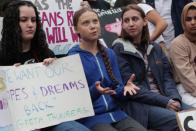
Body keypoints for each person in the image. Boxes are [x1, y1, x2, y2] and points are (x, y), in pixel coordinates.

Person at [0, 1, 90, 131]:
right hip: (17, 123)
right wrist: (6, 80)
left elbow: (65, 93)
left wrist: (56, 70)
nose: (30, 25)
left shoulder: (46, 53)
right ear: (12, 23)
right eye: (23, 20)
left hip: (51, 119)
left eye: (33, 20)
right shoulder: (2, 56)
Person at [112, 4, 191, 131]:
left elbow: (167, 78)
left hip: (165, 98)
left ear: (144, 21)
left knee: (193, 115)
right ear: (122, 25)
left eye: (135, 19)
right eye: (126, 21)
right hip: (142, 106)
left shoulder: (155, 47)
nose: (131, 24)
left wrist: (174, 99)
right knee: (180, 122)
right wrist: (165, 102)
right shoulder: (118, 48)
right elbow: (133, 88)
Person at [68, 7, 147, 131]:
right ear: (76, 29)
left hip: (118, 115)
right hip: (91, 119)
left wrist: (124, 89)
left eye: (95, 21)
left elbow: (118, 90)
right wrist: (96, 90)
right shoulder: (73, 56)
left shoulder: (109, 53)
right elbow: (75, 98)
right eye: (86, 23)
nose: (92, 26)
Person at [169, 2, 196, 107]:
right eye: (188, 19)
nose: (193, 22)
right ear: (183, 22)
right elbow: (188, 78)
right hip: (186, 88)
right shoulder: (178, 44)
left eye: (195, 18)